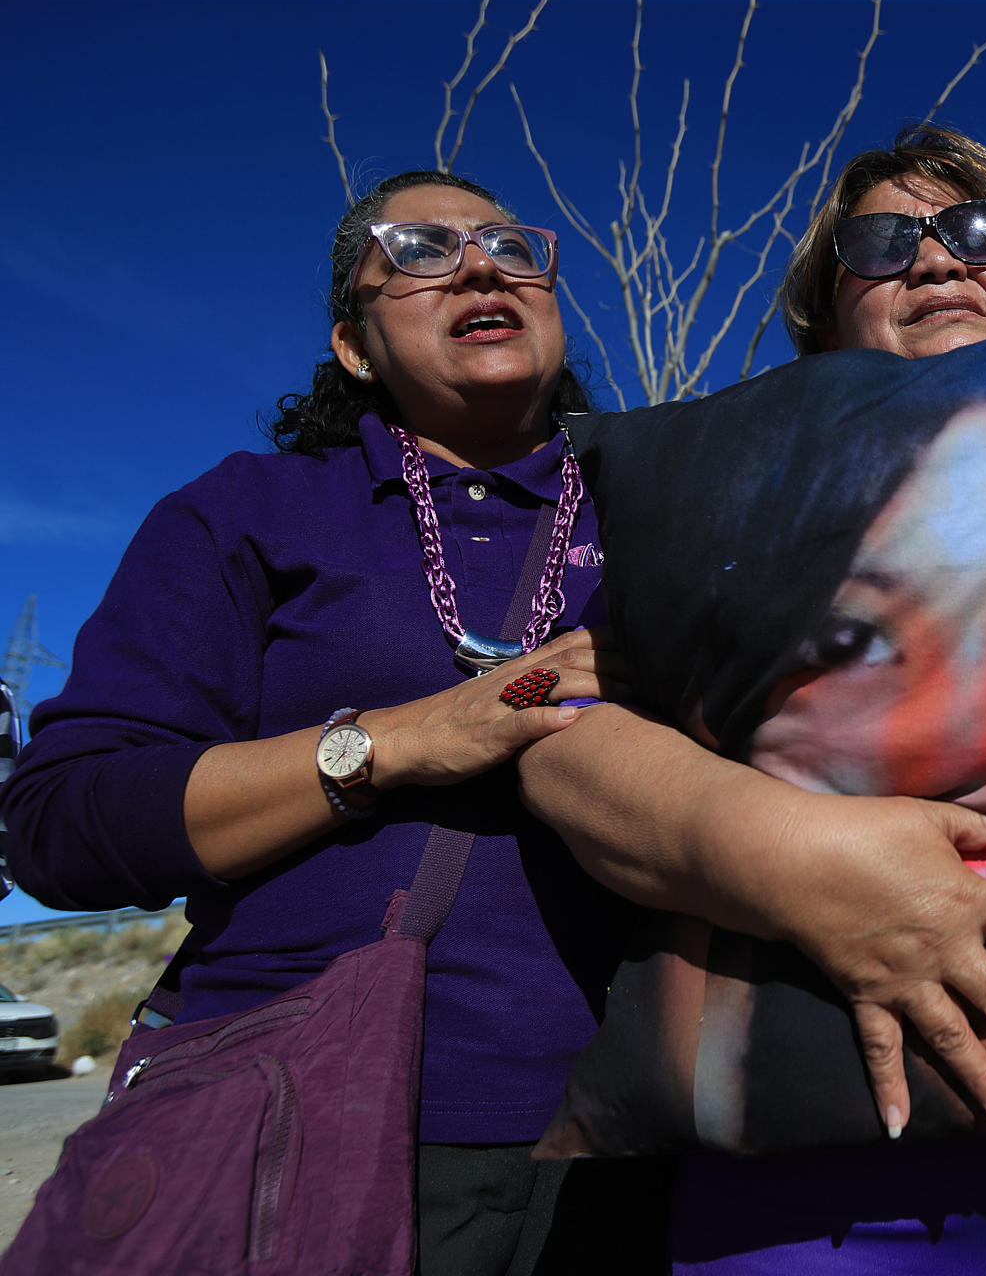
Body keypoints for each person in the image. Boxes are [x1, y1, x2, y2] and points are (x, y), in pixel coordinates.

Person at [519, 123, 986, 1273]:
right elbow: (560, 732)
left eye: (981, 231)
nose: (939, 258)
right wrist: (794, 855)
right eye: (882, 243)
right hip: (803, 1177)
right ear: (822, 314)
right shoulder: (713, 513)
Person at [0, 169, 647, 1274]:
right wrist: (394, 742)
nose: (480, 268)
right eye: (420, 252)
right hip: (308, 1122)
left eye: (509, 246)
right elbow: (62, 822)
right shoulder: (249, 511)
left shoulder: (658, 503)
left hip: (639, 1134)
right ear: (354, 346)